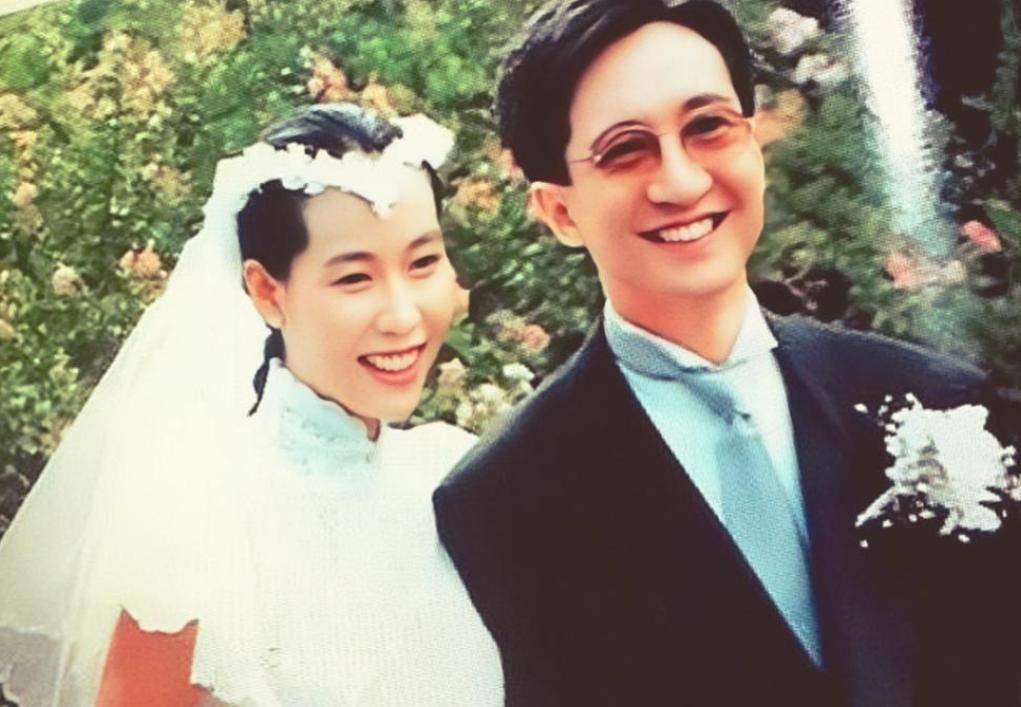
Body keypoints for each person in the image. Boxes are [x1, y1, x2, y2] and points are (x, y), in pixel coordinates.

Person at [433, 1, 1021, 705]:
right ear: (559, 210)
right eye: (625, 150)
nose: (681, 182)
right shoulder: (505, 498)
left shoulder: (939, 403)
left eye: (708, 127)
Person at [0, 103, 503, 706]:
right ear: (266, 290)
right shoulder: (198, 529)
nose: (402, 316)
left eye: (422, 263)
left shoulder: (460, 475)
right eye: (354, 278)